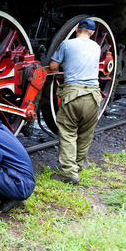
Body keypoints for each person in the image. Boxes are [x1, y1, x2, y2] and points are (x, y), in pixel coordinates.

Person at [48, 18, 103, 184]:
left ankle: (70, 173)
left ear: (77, 29)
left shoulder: (67, 44)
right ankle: (78, 164)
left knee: (68, 133)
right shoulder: (96, 46)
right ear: (92, 33)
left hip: (73, 94)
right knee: (86, 133)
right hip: (94, 95)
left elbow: (52, 67)